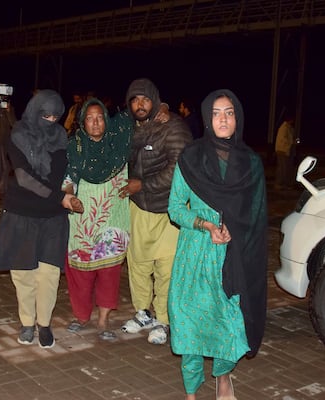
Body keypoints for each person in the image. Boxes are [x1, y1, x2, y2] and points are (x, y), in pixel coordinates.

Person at [167, 89, 268, 400]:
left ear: (237, 118)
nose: (223, 119)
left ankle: (223, 378)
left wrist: (236, 232)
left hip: (233, 255)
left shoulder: (251, 163)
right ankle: (191, 390)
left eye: (229, 113)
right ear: (207, 119)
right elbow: (175, 207)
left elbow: (257, 215)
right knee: (190, 319)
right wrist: (205, 224)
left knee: (228, 319)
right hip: (196, 252)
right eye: (216, 113)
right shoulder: (191, 158)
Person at [0, 89, 83, 349]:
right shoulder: (18, 136)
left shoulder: (62, 139)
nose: (51, 121)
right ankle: (27, 322)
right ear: (34, 111)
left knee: (49, 274)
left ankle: (44, 324)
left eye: (56, 116)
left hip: (53, 217)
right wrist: (60, 197)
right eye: (45, 115)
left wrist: (70, 191)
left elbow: (67, 173)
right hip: (22, 213)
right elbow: (23, 177)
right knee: (23, 273)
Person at [118, 78, 192, 345]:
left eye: (145, 99)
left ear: (155, 100)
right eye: (135, 100)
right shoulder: (128, 129)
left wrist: (143, 185)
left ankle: (163, 319)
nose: (140, 104)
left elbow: (179, 169)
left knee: (166, 267)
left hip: (167, 209)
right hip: (139, 207)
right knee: (137, 262)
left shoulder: (173, 126)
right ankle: (143, 313)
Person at [63, 98, 131, 340]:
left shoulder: (119, 146)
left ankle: (103, 319)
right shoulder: (75, 146)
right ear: (83, 122)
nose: (95, 122)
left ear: (106, 120)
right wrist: (70, 197)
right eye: (90, 118)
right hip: (82, 219)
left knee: (109, 271)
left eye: (99, 117)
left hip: (112, 218)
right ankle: (81, 316)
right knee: (80, 271)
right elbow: (68, 179)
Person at [274, 113, 296, 189]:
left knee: (286, 168)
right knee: (282, 168)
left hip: (285, 150)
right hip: (282, 150)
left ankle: (285, 183)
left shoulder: (288, 127)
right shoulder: (284, 128)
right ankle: (279, 183)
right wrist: (291, 143)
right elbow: (283, 140)